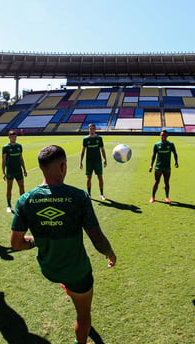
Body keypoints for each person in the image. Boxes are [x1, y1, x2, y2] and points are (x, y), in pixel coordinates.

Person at [10, 145, 116, 344]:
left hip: (49, 268)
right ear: (63, 166)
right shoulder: (78, 197)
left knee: (65, 279)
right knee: (84, 316)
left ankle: (66, 285)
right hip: (76, 272)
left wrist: (35, 242)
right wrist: (110, 252)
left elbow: (16, 243)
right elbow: (97, 238)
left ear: (41, 168)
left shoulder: (25, 200)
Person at [149, 129, 179, 204]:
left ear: (167, 136)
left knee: (166, 182)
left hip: (167, 167)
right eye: (162, 135)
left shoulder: (171, 144)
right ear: (160, 135)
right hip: (158, 167)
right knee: (156, 182)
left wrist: (176, 162)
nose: (163, 136)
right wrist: (151, 166)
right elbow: (153, 155)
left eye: (165, 135)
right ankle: (153, 197)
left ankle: (167, 197)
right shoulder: (156, 145)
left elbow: (175, 153)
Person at [79, 123, 108, 200]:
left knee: (100, 177)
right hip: (89, 161)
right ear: (88, 129)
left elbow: (102, 149)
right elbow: (83, 150)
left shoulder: (99, 138)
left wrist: (105, 159)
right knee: (88, 178)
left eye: (93, 128)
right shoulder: (85, 139)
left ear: (95, 129)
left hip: (98, 161)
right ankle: (89, 194)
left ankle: (102, 194)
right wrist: (80, 161)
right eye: (90, 128)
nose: (91, 130)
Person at [2, 130, 27, 213]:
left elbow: (21, 158)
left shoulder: (19, 146)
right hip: (10, 171)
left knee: (22, 187)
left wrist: (24, 170)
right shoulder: (6, 147)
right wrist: (3, 172)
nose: (14, 138)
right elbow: (3, 161)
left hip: (18, 171)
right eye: (12, 137)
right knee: (9, 188)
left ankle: (22, 204)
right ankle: (9, 205)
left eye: (15, 137)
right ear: (9, 137)